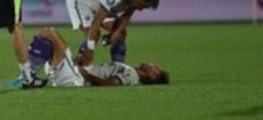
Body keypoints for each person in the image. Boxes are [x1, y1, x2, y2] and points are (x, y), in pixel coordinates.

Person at [66, 0, 159, 67]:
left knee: (121, 34)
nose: (141, 9)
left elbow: (126, 16)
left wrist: (116, 32)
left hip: (99, 1)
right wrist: (90, 51)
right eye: (143, 5)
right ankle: (76, 68)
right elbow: (96, 23)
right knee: (94, 36)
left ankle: (117, 69)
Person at [28, 27, 169, 87]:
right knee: (47, 41)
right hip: (73, 74)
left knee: (51, 33)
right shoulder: (129, 70)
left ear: (152, 76)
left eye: (155, 68)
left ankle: (27, 77)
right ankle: (29, 77)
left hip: (74, 79)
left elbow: (107, 84)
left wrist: (84, 73)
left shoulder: (132, 76)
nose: (153, 64)